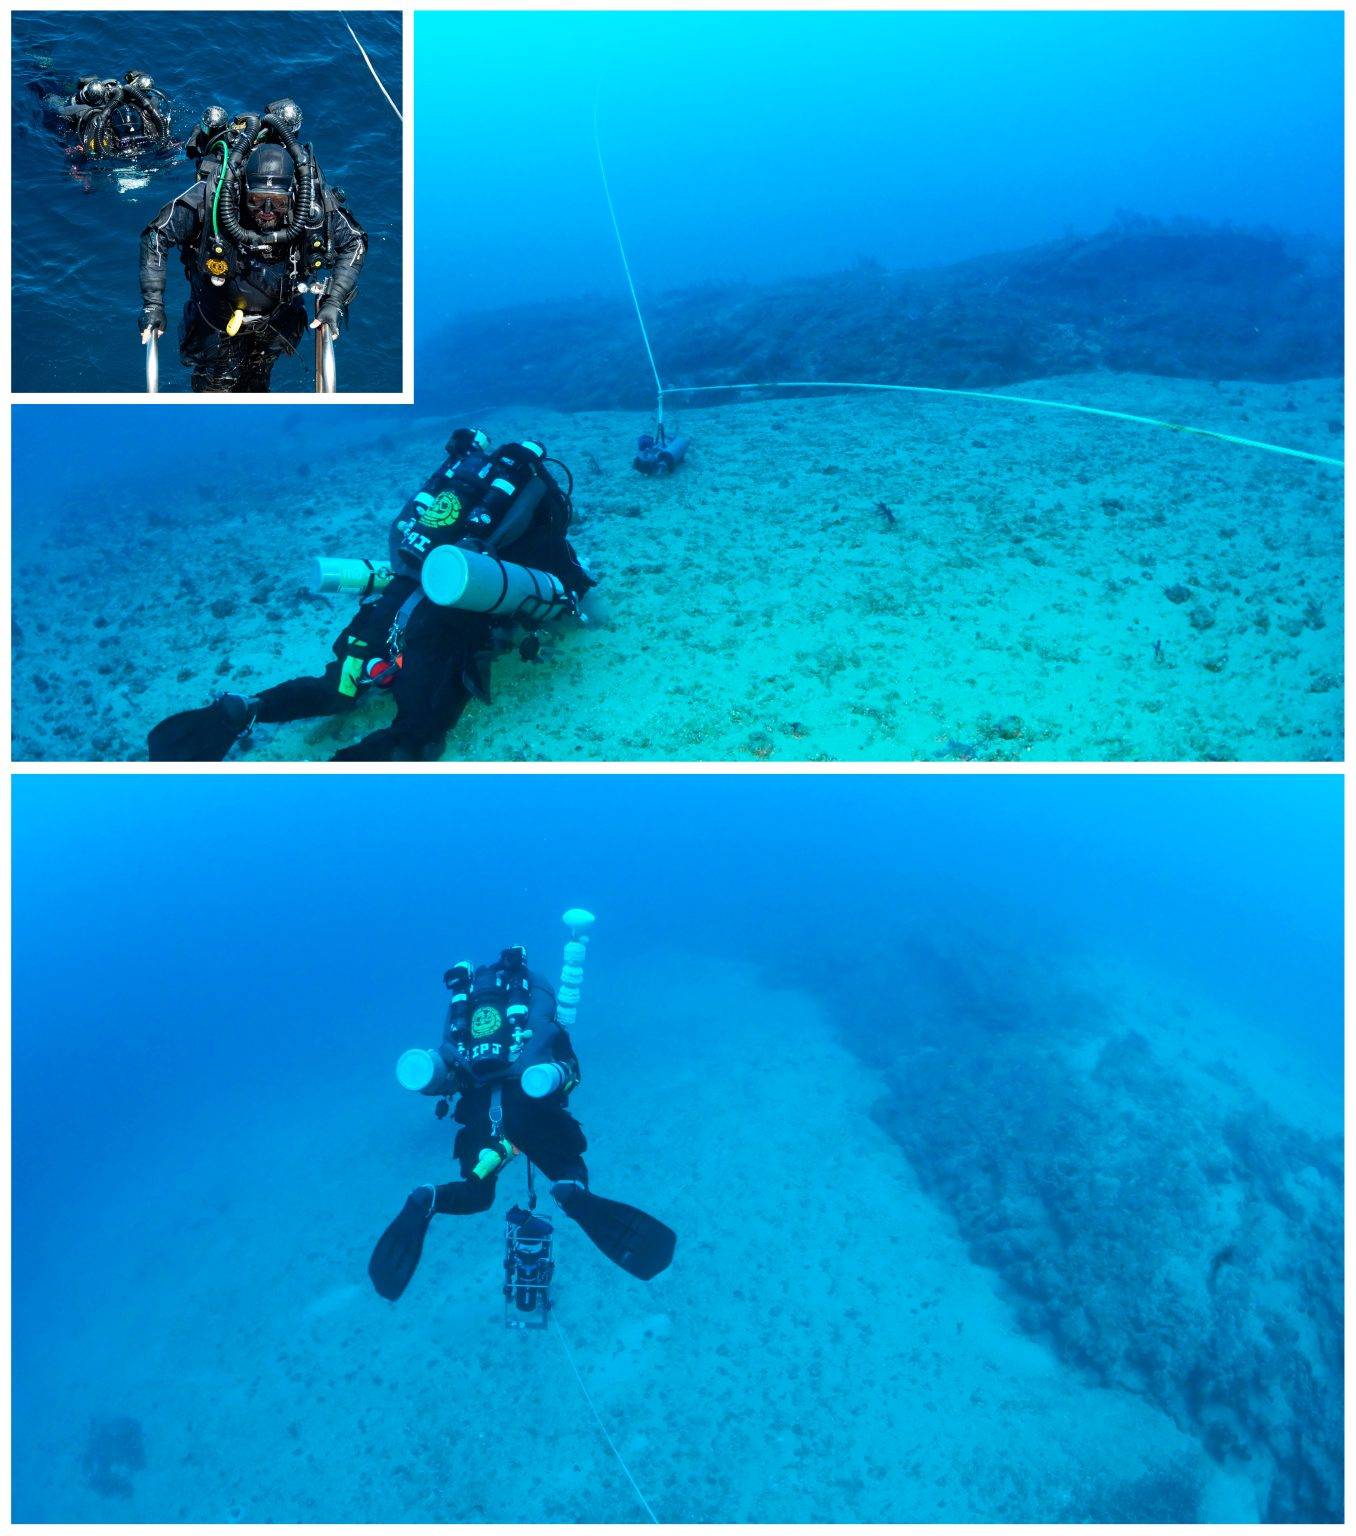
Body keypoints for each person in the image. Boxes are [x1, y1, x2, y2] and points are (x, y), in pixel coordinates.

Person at [146, 429, 595, 762]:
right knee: (418, 731)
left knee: (338, 687)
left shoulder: (447, 507)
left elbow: (404, 550)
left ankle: (245, 709)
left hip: (384, 610)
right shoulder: (529, 529)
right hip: (440, 632)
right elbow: (572, 589)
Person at [368, 944, 676, 1302]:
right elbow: (570, 1072)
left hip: (481, 1117)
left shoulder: (464, 1018)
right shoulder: (533, 1012)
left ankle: (428, 1197)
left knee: (477, 1193)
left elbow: (448, 1079)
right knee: (569, 1169)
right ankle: (571, 1193)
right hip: (530, 1109)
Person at [137, 99, 365, 392]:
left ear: (292, 195)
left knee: (258, 382)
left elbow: (355, 241)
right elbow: (157, 234)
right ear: (243, 191)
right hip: (216, 320)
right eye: (257, 200)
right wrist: (153, 305)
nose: (267, 211)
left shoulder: (309, 207)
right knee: (214, 387)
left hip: (276, 320)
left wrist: (334, 302)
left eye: (278, 202)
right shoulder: (214, 200)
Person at [44, 71, 172, 160]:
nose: (132, 148)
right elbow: (58, 111)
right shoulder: (87, 115)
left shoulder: (148, 115)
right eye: (124, 144)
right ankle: (48, 71)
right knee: (53, 97)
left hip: (122, 100)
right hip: (95, 101)